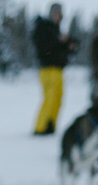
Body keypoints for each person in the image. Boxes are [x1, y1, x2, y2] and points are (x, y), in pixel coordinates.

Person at [32, 3, 77, 136]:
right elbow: (46, 47)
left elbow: (59, 49)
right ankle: (40, 128)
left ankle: (51, 125)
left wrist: (69, 46)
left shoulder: (55, 30)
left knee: (58, 98)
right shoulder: (44, 28)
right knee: (49, 99)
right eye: (55, 14)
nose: (57, 17)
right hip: (48, 69)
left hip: (58, 70)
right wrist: (61, 42)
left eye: (59, 14)